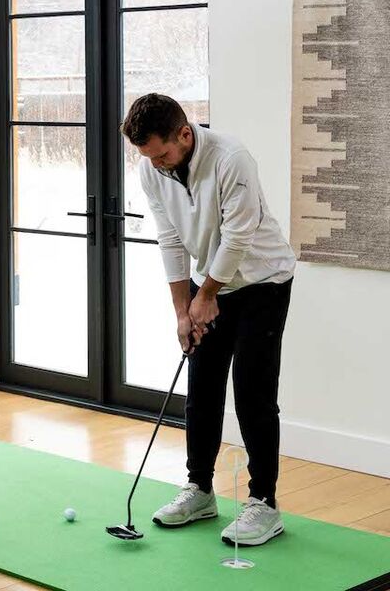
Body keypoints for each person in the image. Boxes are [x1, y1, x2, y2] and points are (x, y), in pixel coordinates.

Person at [123, 93, 294, 547]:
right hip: (208, 282)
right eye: (147, 157)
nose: (156, 165)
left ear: (184, 134)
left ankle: (264, 503)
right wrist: (183, 310)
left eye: (161, 154)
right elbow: (170, 238)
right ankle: (199, 490)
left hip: (263, 281)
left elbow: (238, 237)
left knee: (254, 393)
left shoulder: (232, 158)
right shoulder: (151, 168)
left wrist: (206, 297)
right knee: (202, 389)